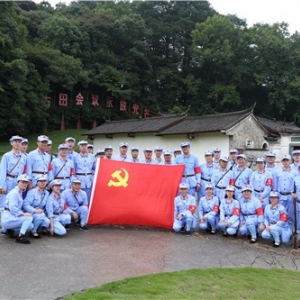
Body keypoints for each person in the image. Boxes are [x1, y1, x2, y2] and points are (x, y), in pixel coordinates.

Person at [1, 174, 33, 244]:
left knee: (30, 226)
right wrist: (24, 214)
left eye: (26, 182)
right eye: (22, 182)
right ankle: (20, 237)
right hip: (8, 218)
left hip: (11, 217)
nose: (24, 184)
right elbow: (13, 208)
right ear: (17, 182)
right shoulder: (14, 193)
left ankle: (11, 230)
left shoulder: (19, 192)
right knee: (29, 218)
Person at [0, 135, 27, 211]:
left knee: (17, 198)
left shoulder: (24, 157)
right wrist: (2, 186)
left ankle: (15, 215)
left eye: (19, 142)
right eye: (15, 141)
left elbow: (24, 171)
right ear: (11, 143)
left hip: (19, 182)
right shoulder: (7, 156)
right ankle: (3, 217)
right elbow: (2, 171)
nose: (17, 143)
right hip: (9, 180)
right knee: (5, 200)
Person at [273, 154, 297, 229]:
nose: (285, 162)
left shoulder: (295, 172)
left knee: (290, 215)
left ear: (290, 161)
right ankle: (279, 230)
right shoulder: (277, 171)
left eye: (287, 160)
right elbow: (275, 185)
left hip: (290, 196)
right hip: (280, 196)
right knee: (280, 214)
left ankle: (289, 231)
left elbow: (296, 184)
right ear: (282, 162)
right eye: (284, 160)